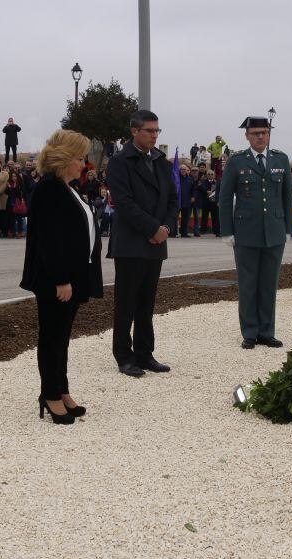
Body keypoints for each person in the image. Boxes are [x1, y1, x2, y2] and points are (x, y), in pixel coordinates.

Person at [19, 129, 104, 425]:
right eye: (80, 158)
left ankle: (61, 389)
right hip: (56, 280)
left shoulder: (67, 188)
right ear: (64, 159)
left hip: (72, 277)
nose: (84, 164)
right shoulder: (48, 189)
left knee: (62, 338)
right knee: (52, 337)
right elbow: (49, 240)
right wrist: (61, 279)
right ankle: (50, 394)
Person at [106, 110, 177, 377]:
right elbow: (123, 203)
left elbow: (172, 200)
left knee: (147, 303)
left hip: (156, 241)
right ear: (134, 131)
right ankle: (124, 357)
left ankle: (145, 354)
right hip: (132, 242)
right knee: (126, 303)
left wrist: (166, 228)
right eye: (149, 130)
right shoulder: (120, 161)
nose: (154, 135)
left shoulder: (160, 161)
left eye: (157, 131)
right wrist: (153, 228)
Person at [220, 116, 292, 349]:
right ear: (247, 136)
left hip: (274, 231)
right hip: (246, 232)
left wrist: (288, 228)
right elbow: (224, 199)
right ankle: (250, 332)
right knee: (248, 282)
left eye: (264, 132)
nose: (260, 137)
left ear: (269, 134)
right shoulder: (236, 161)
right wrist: (226, 231)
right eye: (256, 133)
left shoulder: (280, 159)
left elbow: (287, 198)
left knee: (269, 283)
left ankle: (267, 332)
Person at [174, 163, 195, 237]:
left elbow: (193, 189)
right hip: (178, 201)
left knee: (185, 218)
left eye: (184, 169)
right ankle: (174, 233)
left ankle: (184, 233)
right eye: (181, 169)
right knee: (174, 218)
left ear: (187, 170)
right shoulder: (176, 179)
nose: (183, 171)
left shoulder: (190, 179)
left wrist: (193, 196)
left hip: (187, 201)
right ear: (179, 170)